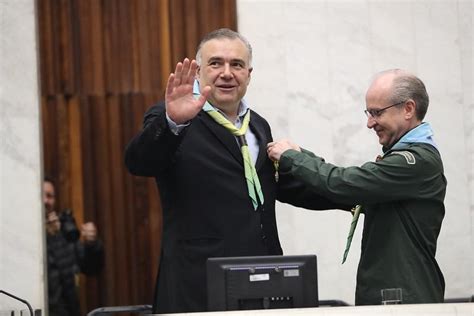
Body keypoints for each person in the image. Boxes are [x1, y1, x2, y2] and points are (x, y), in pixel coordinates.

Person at [124, 28, 341, 313]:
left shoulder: (258, 126)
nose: (227, 73)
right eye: (216, 63)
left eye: (236, 65)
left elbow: (278, 186)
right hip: (198, 285)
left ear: (249, 74)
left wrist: (356, 192)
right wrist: (172, 122)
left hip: (263, 283)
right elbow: (140, 162)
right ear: (199, 71)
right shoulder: (172, 117)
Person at [267, 69, 446, 305]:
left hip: (402, 302)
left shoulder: (415, 161)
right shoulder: (405, 162)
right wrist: (279, 176)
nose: (370, 123)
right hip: (394, 297)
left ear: (408, 109)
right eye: (369, 113)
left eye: (376, 113)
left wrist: (293, 158)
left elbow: (343, 184)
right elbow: (334, 191)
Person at [43, 177, 104, 316]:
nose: (46, 201)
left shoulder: (66, 232)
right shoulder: (23, 234)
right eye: (41, 195)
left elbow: (92, 268)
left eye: (50, 196)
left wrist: (92, 244)